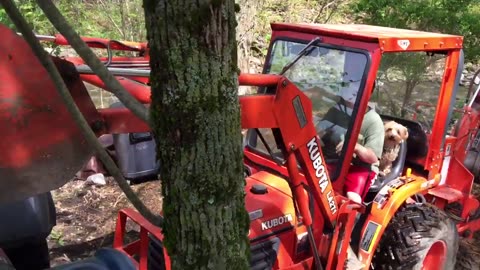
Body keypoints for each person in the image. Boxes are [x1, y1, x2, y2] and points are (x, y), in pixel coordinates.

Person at [316, 79, 384, 204]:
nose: (353, 92)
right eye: (351, 88)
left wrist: (355, 147)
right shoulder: (336, 111)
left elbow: (373, 158)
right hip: (335, 161)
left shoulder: (373, 121)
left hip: (359, 168)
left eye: (359, 89)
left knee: (352, 198)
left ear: (369, 92)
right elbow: (318, 131)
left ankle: (350, 221)